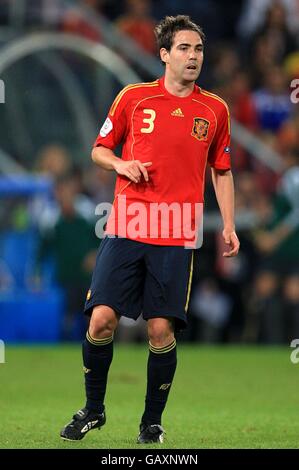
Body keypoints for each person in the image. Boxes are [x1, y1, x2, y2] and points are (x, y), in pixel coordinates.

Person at [60, 14, 240, 444]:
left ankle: (151, 421)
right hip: (127, 224)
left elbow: (223, 169)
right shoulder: (134, 98)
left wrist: (229, 224)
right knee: (101, 320)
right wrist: (122, 163)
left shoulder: (214, 109)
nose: (193, 56)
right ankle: (93, 409)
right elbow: (99, 150)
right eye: (184, 48)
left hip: (177, 232)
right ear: (164, 55)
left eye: (198, 49)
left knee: (160, 331)